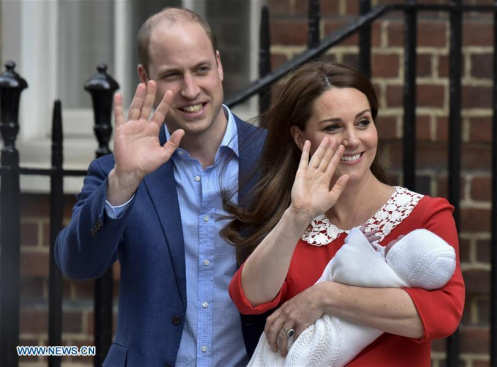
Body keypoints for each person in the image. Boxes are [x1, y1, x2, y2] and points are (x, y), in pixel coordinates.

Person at [55, 7, 266, 367]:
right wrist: (123, 184)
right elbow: (77, 264)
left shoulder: (273, 158)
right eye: (172, 74)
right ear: (145, 76)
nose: (190, 89)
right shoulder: (116, 171)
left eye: (201, 69)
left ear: (218, 64)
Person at [223, 60, 465, 366]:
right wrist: (298, 214)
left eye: (363, 122)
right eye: (333, 127)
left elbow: (444, 314)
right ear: (301, 138)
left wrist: (325, 297)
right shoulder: (296, 220)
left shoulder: (425, 214)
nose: (353, 139)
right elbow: (250, 297)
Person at [248, 228, 457, 366]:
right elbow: (247, 296)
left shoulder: (381, 273)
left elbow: (443, 316)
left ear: (402, 257)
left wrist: (357, 239)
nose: (401, 236)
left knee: (307, 350)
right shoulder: (403, 283)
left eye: (404, 242)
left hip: (329, 333)